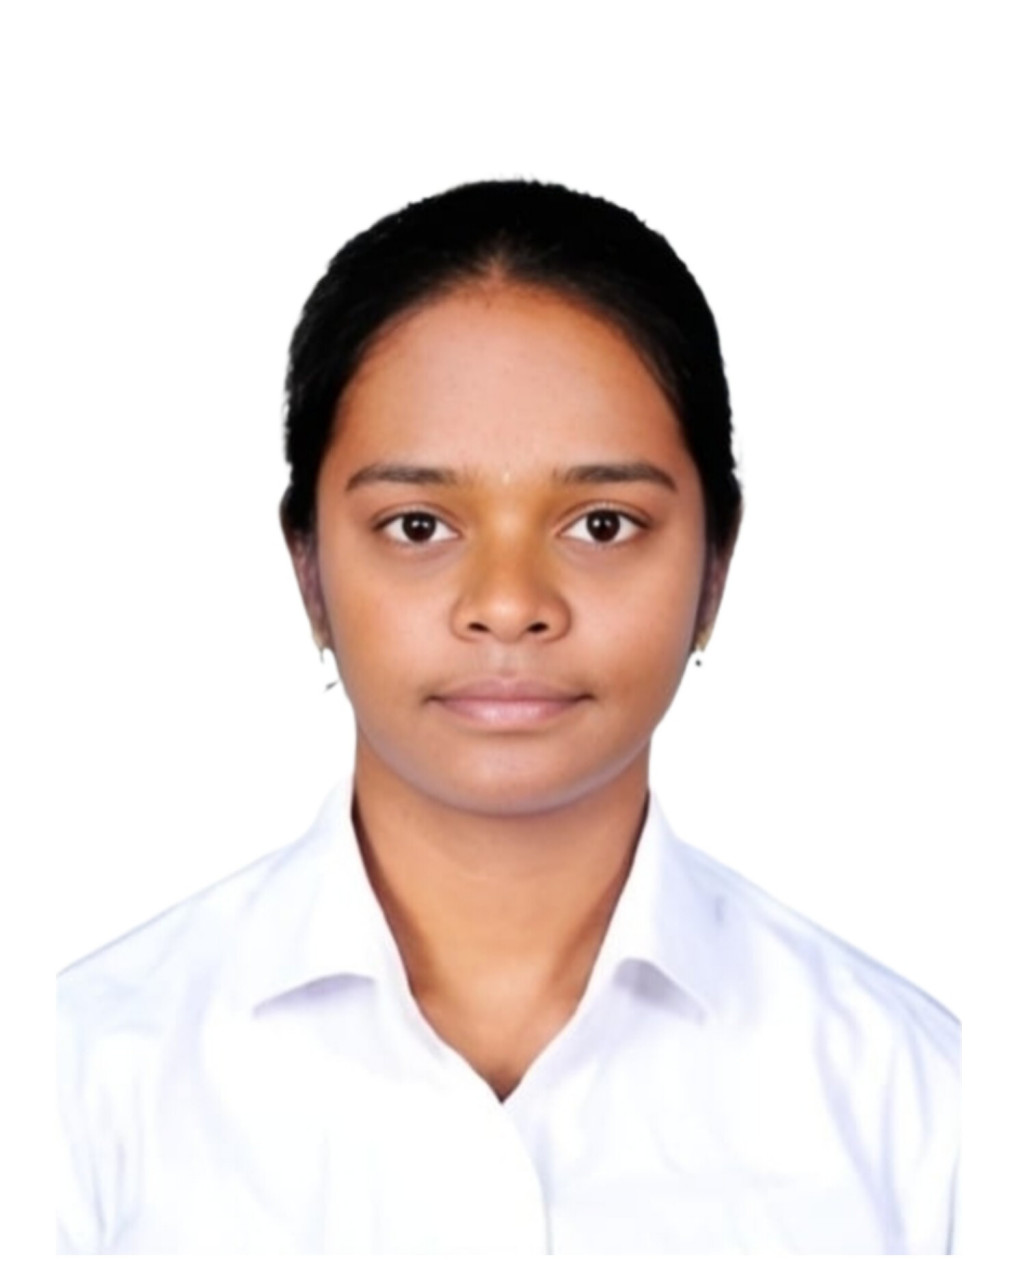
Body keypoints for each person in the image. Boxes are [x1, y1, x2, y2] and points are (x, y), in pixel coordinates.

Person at [56, 180, 960, 1255]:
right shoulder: (74, 1085)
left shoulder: (922, 1107)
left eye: (602, 523)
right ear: (308, 568)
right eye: (419, 525)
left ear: (715, 565)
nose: (507, 603)